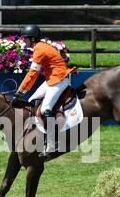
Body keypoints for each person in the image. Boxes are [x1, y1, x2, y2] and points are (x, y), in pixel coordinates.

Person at [13, 24, 76, 158]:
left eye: (25, 39)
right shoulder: (40, 47)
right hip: (52, 79)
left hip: (59, 79)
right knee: (31, 100)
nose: (24, 41)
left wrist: (20, 90)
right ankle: (39, 131)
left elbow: (33, 73)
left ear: (32, 39)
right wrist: (22, 92)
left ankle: (52, 145)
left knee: (45, 109)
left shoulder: (39, 50)